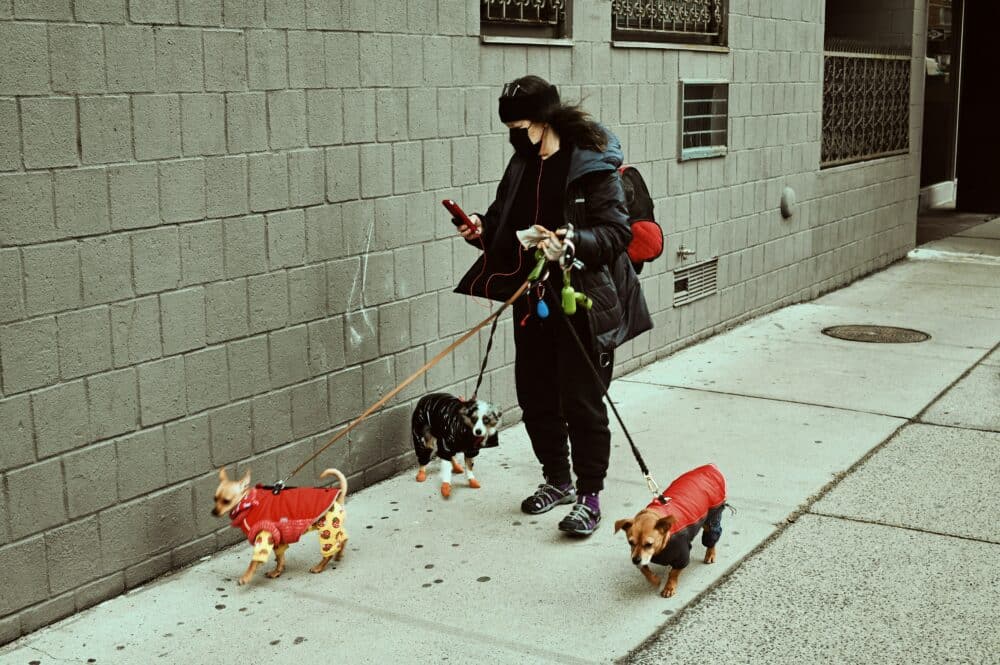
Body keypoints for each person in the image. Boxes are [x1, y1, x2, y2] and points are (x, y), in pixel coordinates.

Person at [453, 75, 652, 536]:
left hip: (581, 302)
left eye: (520, 126)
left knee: (582, 402)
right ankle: (557, 481)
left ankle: (590, 496)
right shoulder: (521, 164)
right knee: (536, 397)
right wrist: (480, 228)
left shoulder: (591, 164)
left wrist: (570, 240)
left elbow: (616, 233)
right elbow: (503, 220)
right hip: (534, 303)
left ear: (544, 122)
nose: (514, 135)